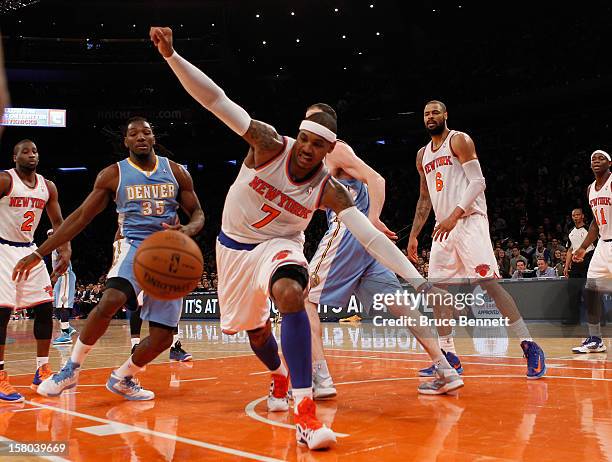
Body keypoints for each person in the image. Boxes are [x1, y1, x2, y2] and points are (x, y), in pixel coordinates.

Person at [149, 27, 462, 450]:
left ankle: (306, 412)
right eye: (307, 140)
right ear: (299, 135)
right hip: (234, 248)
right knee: (256, 332)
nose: (308, 151)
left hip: (281, 246)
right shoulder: (267, 143)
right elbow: (215, 100)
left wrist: (414, 277)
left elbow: (371, 238)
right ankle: (280, 376)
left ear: (329, 150)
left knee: (293, 293)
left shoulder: (329, 188)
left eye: (319, 146)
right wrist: (172, 56)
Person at [12, 117, 205, 400]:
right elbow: (79, 217)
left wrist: (188, 229)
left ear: (153, 138)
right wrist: (40, 252)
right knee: (111, 299)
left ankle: (124, 377)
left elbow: (198, 212)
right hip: (134, 246)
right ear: (125, 141)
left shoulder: (176, 172)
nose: (140, 137)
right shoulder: (112, 175)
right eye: (133, 134)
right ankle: (71, 369)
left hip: (170, 253)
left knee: (164, 337)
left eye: (146, 132)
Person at [407, 100, 546, 379]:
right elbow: (424, 198)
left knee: (490, 284)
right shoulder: (422, 154)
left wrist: (454, 215)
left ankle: (529, 344)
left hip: (469, 221)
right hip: (442, 228)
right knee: (438, 292)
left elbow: (478, 182)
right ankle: (448, 355)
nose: (430, 116)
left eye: (435, 112)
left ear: (446, 115)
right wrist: (413, 235)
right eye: (426, 113)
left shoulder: (459, 140)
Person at [303, 103, 418, 400]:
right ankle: (444, 364)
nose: (307, 125)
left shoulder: (337, 151)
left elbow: (377, 179)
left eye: (312, 119)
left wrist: (373, 219)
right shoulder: (315, 160)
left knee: (304, 300)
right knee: (400, 303)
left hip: (349, 234)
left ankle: (320, 377)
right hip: (361, 242)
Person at [0, 139, 71, 402]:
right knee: (3, 312)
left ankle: (42, 369)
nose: (31, 155)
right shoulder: (6, 180)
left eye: (35, 151)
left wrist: (65, 248)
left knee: (44, 307)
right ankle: (0, 375)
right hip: (2, 249)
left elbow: (58, 222)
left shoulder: (47, 187)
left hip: (30, 250)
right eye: (25, 151)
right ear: (14, 157)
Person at [571, 150, 610, 354]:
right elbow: (595, 222)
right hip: (603, 245)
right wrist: (584, 247)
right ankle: (596, 339)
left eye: (601, 158)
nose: (596, 161)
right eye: (593, 159)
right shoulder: (590, 190)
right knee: (591, 290)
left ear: (609, 163)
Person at [128, 290, 192, 361]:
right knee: (139, 303)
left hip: (165, 281)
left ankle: (175, 347)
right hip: (145, 280)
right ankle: (135, 347)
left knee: (172, 303)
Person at [564, 208, 594, 324]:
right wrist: (567, 266)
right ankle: (573, 319)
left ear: (582, 216)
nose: (575, 217)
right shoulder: (571, 231)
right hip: (575, 263)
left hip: (588, 260)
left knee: (591, 291)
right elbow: (570, 249)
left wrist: (585, 255)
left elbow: (595, 247)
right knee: (572, 291)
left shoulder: (589, 230)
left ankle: (597, 318)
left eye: (578, 215)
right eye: (573, 215)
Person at [47, 229, 78, 345]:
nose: (50, 236)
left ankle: (65, 335)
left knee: (62, 304)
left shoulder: (60, 245)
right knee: (55, 306)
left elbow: (64, 261)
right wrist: (52, 277)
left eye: (52, 234)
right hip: (60, 276)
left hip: (65, 275)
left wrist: (55, 275)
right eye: (48, 235)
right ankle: (68, 328)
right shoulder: (53, 247)